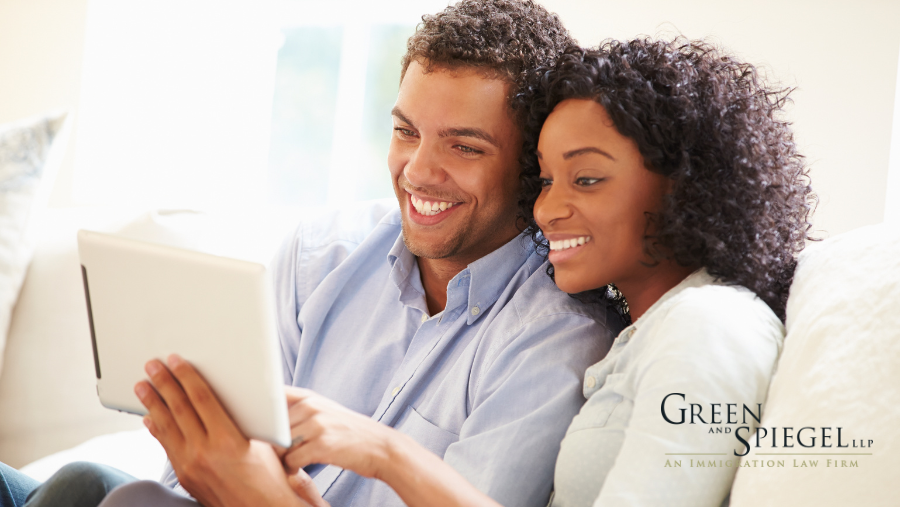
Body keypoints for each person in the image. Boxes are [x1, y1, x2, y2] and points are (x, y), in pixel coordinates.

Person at [0, 1, 619, 507]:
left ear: (533, 166)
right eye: (405, 131)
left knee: (82, 489)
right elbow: (202, 473)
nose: (418, 172)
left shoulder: (556, 341)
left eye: (464, 147)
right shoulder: (321, 256)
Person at [228, 37, 814, 506]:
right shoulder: (647, 334)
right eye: (546, 179)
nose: (547, 209)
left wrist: (384, 453)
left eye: (585, 178)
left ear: (686, 184)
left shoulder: (701, 326)